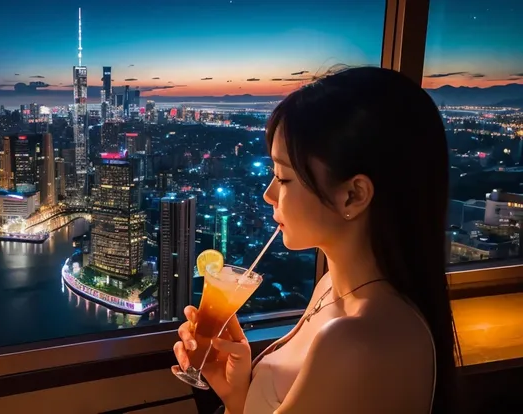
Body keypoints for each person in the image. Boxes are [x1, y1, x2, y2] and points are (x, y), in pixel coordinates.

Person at [173, 66, 459, 414]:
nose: (268, 194)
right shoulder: (330, 288)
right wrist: (237, 394)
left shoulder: (358, 342)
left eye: (284, 178)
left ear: (353, 195)